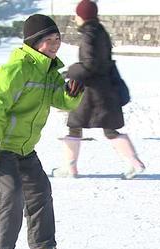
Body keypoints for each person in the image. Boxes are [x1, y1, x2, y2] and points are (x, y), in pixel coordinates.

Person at [0, 14, 83, 249]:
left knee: (40, 192)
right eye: (48, 40)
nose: (54, 44)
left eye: (57, 39)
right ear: (34, 42)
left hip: (25, 148)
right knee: (10, 194)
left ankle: (42, 246)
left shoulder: (49, 70)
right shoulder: (15, 70)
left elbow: (60, 101)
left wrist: (72, 95)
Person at [52, 0, 145, 180]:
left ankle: (69, 168)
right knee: (108, 128)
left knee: (75, 125)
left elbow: (89, 64)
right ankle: (134, 163)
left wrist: (69, 72)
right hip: (104, 89)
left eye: (77, 15)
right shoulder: (100, 32)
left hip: (91, 92)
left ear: (82, 16)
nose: (76, 18)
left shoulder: (89, 35)